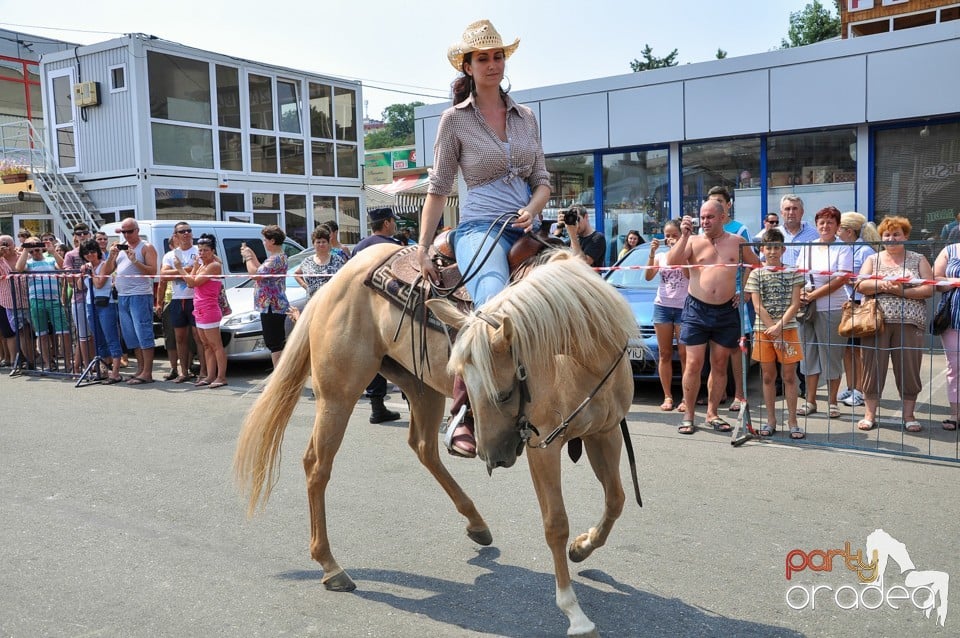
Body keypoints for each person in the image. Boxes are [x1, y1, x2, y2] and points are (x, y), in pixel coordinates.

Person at [414, 20, 551, 456]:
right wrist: (422, 246)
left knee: (580, 288)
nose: (492, 64)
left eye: (498, 56)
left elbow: (542, 179)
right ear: (467, 66)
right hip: (479, 229)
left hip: (527, 228)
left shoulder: (526, 116)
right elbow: (438, 187)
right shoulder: (454, 121)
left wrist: (533, 209)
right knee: (492, 306)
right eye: (482, 58)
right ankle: (463, 410)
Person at [667, 199, 761, 435]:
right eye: (702, 217)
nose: (705, 221)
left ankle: (712, 413)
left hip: (726, 310)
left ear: (722, 218)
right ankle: (688, 415)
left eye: (710, 217)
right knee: (693, 363)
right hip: (696, 309)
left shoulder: (737, 242)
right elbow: (671, 261)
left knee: (719, 364)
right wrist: (684, 235)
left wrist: (746, 291)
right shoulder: (693, 241)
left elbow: (756, 265)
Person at [855, 216, 933, 433]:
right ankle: (869, 414)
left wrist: (902, 291)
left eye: (896, 234)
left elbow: (929, 289)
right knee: (871, 367)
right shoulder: (873, 259)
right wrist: (883, 285)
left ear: (905, 236)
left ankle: (909, 415)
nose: (891, 238)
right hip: (875, 322)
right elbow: (860, 284)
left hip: (910, 323)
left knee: (909, 368)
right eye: (887, 234)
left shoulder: (918, 259)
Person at [744, 228, 805, 438]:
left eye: (776, 247)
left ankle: (793, 422)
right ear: (762, 249)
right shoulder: (755, 273)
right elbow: (757, 306)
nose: (772, 252)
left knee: (789, 377)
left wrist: (780, 328)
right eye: (768, 247)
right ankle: (771, 420)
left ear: (783, 249)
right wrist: (774, 331)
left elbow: (795, 303)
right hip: (764, 331)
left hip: (787, 329)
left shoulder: (794, 272)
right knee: (768, 377)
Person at [795, 206, 853, 419]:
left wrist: (813, 295)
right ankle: (810, 401)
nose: (825, 226)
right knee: (808, 355)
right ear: (816, 225)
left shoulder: (843, 248)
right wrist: (802, 292)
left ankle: (832, 402)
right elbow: (799, 274)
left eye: (830, 222)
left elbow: (841, 279)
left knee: (831, 356)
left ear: (837, 226)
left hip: (832, 308)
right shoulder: (808, 246)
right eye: (821, 222)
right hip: (806, 309)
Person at [353, 207, 403, 424]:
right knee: (402, 361)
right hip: (390, 312)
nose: (394, 225)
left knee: (374, 360)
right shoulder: (393, 248)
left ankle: (377, 407)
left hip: (363, 312)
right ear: (386, 224)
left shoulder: (358, 248)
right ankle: (416, 406)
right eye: (393, 221)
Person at [707, 185, 754, 412]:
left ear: (728, 205)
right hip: (710, 299)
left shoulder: (740, 229)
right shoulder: (703, 231)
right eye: (711, 202)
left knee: (737, 347)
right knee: (715, 347)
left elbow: (750, 262)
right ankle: (719, 391)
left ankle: (739, 394)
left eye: (719, 202)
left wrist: (743, 291)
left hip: (734, 296)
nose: (715, 207)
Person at [644, 220, 688, 412]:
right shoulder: (660, 257)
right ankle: (667, 396)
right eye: (667, 235)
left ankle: (687, 396)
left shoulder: (687, 254)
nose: (670, 239)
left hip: (683, 307)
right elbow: (648, 276)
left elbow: (689, 274)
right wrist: (652, 253)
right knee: (665, 353)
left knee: (686, 355)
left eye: (674, 235)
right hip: (662, 306)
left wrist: (680, 251)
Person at [836, 212, 880, 408]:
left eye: (839, 229)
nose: (836, 233)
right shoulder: (846, 249)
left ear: (849, 231)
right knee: (848, 349)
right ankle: (851, 385)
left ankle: (860, 390)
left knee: (860, 351)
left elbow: (870, 279)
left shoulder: (864, 251)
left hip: (862, 305)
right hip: (848, 305)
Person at [175, 233, 227, 388]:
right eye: (200, 250)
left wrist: (179, 269)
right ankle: (210, 376)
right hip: (199, 309)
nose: (202, 253)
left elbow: (193, 282)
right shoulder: (203, 265)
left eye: (205, 250)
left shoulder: (214, 266)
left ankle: (221, 377)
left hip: (209, 309)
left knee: (216, 345)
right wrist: (196, 266)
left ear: (212, 251)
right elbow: (191, 282)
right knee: (206, 345)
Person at [14, 235, 71, 372]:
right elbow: (19, 268)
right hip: (36, 301)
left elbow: (63, 266)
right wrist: (25, 251)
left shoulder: (51, 260)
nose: (35, 252)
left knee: (64, 332)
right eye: (32, 250)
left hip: (54, 300)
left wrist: (52, 251)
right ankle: (48, 363)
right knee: (42, 334)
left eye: (37, 249)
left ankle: (69, 363)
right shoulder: (29, 262)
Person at [114, 218, 159, 384]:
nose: (126, 235)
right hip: (123, 296)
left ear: (137, 230)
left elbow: (152, 272)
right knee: (131, 336)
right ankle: (141, 370)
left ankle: (147, 372)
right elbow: (108, 269)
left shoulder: (146, 247)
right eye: (123, 232)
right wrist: (111, 255)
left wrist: (135, 261)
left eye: (129, 231)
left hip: (140, 295)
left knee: (144, 333)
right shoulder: (120, 249)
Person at [240, 224, 289, 369]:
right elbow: (260, 269)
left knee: (274, 343)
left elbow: (255, 274)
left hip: (272, 306)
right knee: (275, 342)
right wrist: (252, 255)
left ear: (272, 241)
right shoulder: (276, 257)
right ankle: (279, 374)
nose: (264, 242)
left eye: (265, 239)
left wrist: (248, 258)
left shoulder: (276, 259)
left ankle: (279, 376)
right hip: (272, 306)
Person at [159, 222, 201, 383]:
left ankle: (203, 372)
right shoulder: (170, 255)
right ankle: (183, 372)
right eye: (182, 231)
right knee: (180, 338)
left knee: (199, 337)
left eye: (189, 230)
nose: (186, 234)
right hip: (177, 299)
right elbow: (164, 276)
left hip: (196, 298)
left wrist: (177, 271)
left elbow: (201, 271)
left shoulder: (198, 250)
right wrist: (187, 270)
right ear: (175, 235)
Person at [78, 239, 123, 384]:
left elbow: (99, 284)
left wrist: (90, 273)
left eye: (92, 251)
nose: (90, 255)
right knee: (98, 338)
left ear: (97, 251)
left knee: (111, 337)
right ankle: (104, 370)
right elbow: (79, 287)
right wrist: (82, 273)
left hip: (105, 304)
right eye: (86, 252)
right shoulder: (87, 267)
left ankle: (116, 372)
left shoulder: (104, 265)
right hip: (90, 304)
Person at [933, 239, 960, 430]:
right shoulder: (950, 250)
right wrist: (954, 282)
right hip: (952, 316)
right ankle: (955, 414)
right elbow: (936, 280)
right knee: (955, 366)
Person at [62, 223, 93, 373]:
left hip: (97, 297)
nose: (82, 235)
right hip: (80, 298)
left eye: (84, 233)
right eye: (78, 233)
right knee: (83, 335)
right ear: (74, 236)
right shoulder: (70, 255)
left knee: (95, 334)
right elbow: (69, 280)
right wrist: (82, 273)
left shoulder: (97, 253)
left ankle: (97, 364)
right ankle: (87, 366)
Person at [294, 225, 348, 297]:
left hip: (332, 300)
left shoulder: (337, 260)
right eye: (318, 242)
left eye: (324, 242)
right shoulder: (307, 261)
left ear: (328, 243)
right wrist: (305, 286)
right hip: (312, 301)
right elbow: (296, 273)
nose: (321, 244)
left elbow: (347, 277)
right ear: (314, 244)